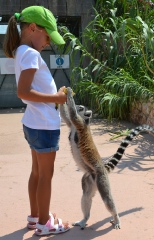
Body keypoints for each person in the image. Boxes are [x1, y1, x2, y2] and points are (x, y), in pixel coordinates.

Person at [3, 6, 70, 236]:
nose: (49, 41)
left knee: (36, 173)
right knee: (46, 176)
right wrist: (58, 98)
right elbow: (24, 92)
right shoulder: (31, 54)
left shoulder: (21, 51)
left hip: (33, 123)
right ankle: (44, 223)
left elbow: (28, 90)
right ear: (33, 28)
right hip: (43, 124)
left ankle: (35, 217)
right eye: (47, 35)